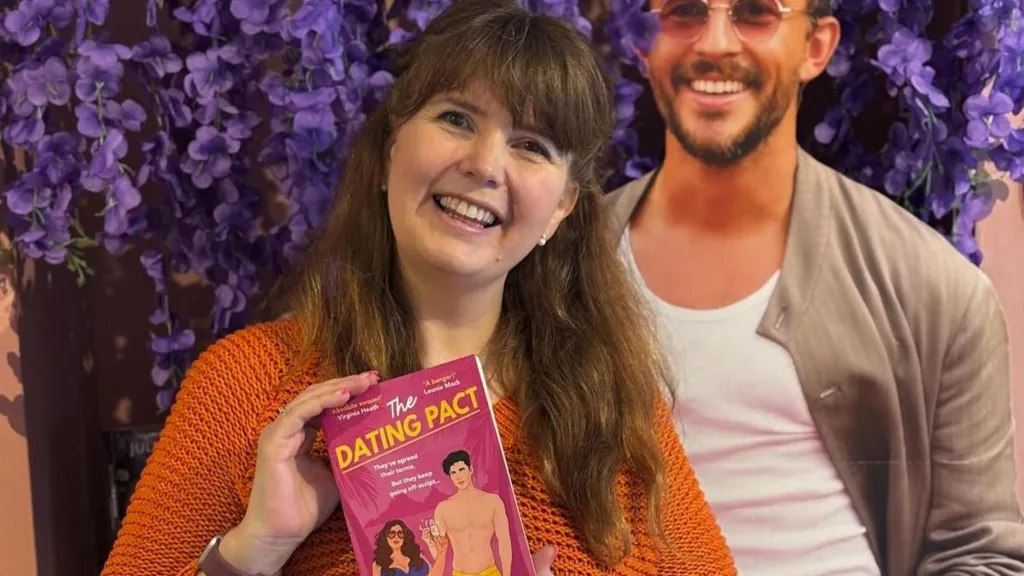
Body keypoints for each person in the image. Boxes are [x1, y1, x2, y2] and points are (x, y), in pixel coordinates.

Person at [100, 1, 738, 575]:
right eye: (457, 118)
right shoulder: (247, 385)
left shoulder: (613, 408)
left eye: (531, 145)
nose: (484, 165)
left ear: (561, 210)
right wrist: (254, 550)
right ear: (388, 153)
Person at [607, 0, 1024, 574]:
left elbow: (981, 554)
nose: (715, 43)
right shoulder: (555, 268)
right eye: (684, 12)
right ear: (641, 42)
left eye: (755, 13)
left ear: (816, 47)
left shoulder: (935, 291)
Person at [423, 450, 511, 576]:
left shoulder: (493, 501)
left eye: (461, 469)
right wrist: (430, 542)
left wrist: (507, 574)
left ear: (470, 470)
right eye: (453, 473)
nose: (458, 476)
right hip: (460, 573)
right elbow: (439, 553)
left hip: (489, 571)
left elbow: (505, 542)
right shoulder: (442, 509)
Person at [372, 520, 444, 576]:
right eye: (392, 533)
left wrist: (442, 552)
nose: (396, 537)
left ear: (405, 536)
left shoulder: (417, 555)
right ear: (385, 537)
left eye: (400, 533)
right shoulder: (378, 564)